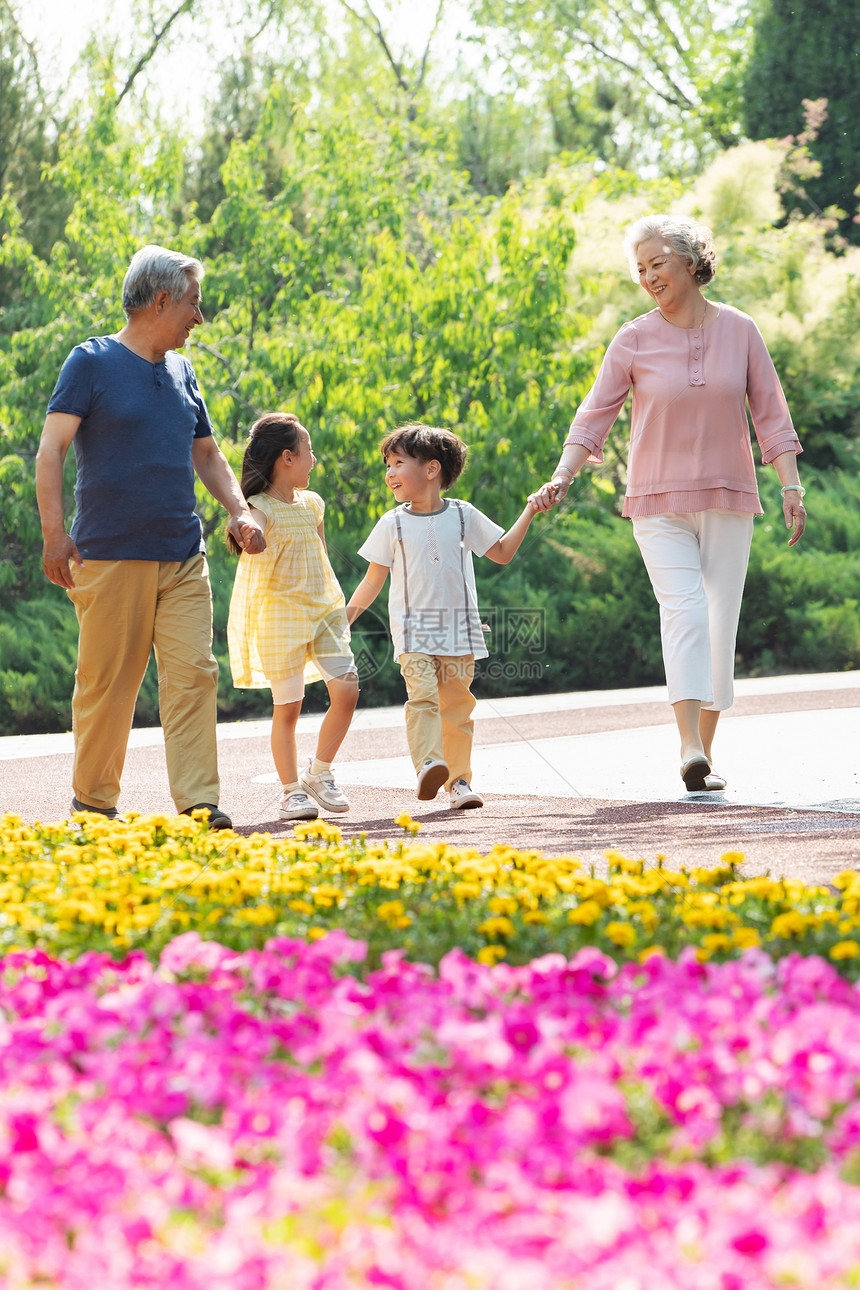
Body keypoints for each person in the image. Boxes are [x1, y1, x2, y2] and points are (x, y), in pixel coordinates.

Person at [531, 214, 805, 793]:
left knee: (719, 619)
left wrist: (790, 485)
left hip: (729, 498)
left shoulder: (740, 330)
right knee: (684, 610)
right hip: (656, 501)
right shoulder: (633, 337)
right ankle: (686, 745)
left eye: (658, 263)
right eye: (640, 268)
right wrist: (564, 475)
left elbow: (771, 413)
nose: (649, 275)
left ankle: (705, 752)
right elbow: (594, 413)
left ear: (690, 260)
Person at [35, 244, 265, 828]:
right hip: (110, 554)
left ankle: (198, 802)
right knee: (109, 687)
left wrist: (240, 510)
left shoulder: (184, 369)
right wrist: (54, 534)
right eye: (194, 303)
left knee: (193, 675)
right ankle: (92, 804)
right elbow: (51, 450)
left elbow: (207, 453)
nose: (199, 316)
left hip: (183, 553)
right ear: (161, 300)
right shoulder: (89, 362)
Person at [347, 422, 541, 810]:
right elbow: (372, 582)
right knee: (422, 698)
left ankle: (459, 782)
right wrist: (344, 620)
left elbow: (501, 552)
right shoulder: (393, 523)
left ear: (432, 469)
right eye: (387, 465)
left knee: (457, 706)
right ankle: (430, 764)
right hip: (413, 632)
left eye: (398, 463)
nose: (389, 474)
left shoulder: (464, 515)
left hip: (460, 631)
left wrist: (531, 509)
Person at [227, 413, 359, 823]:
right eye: (308, 452)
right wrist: (247, 533)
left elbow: (320, 559)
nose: (314, 460)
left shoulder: (313, 503)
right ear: (287, 458)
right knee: (289, 707)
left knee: (348, 689)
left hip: (321, 615)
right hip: (280, 622)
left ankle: (319, 772)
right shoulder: (259, 507)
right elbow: (248, 529)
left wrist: (337, 608)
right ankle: (290, 792)